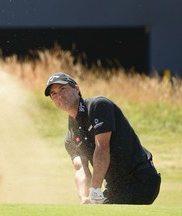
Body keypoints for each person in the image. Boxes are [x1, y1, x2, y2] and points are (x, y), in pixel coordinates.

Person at [44, 72, 161, 204]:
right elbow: (81, 168)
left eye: (62, 89)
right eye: (53, 94)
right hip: (115, 188)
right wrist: (85, 197)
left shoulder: (98, 106)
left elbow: (102, 147)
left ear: (76, 89)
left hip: (140, 180)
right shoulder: (70, 138)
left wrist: (95, 188)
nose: (59, 96)